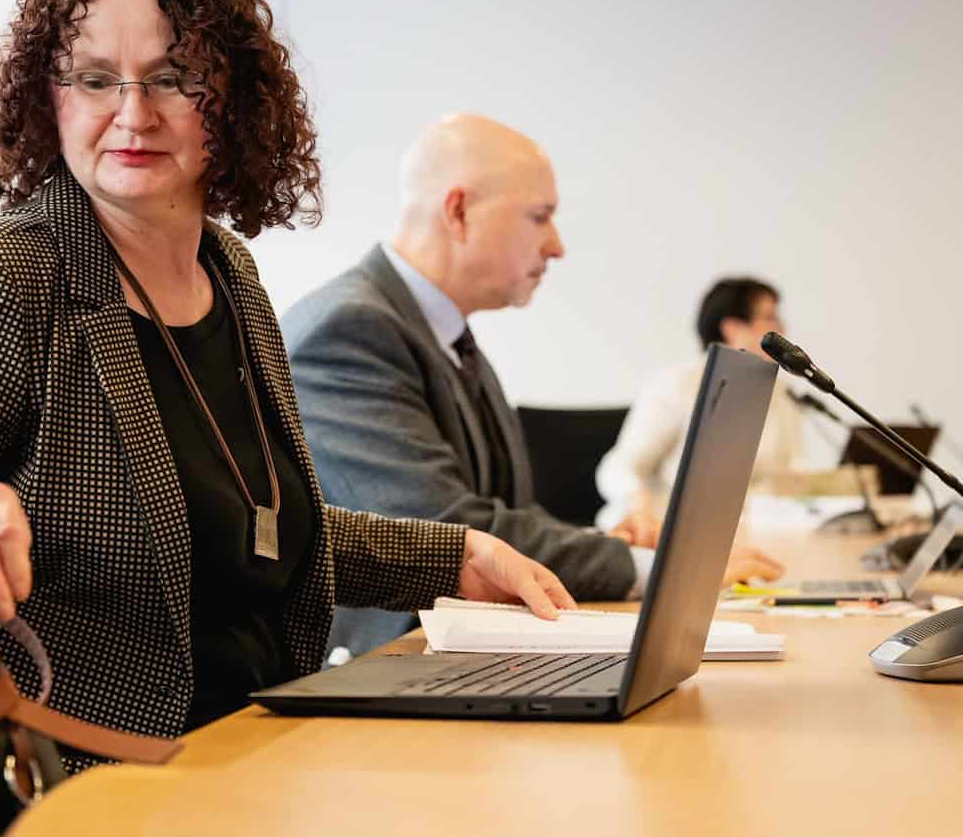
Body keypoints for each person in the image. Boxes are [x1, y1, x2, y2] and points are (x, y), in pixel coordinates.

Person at [0, 0, 569, 764]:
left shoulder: (227, 270)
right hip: (71, 772)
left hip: (252, 744)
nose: (133, 114)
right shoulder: (2, 276)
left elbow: (247, 524)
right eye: (95, 80)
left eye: (172, 78)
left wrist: (457, 556)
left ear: (229, 99)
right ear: (49, 100)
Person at [281, 115, 783, 658]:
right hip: (395, 661)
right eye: (539, 217)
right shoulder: (350, 329)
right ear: (457, 211)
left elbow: (499, 511)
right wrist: (654, 568)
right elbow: (448, 532)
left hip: (466, 652)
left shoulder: (443, 331)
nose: (557, 246)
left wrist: (601, 545)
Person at [595, 276, 803, 546]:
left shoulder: (780, 392)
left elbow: (789, 474)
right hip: (669, 535)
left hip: (751, 536)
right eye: (770, 318)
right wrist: (638, 502)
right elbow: (618, 468)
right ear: (732, 327)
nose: (782, 327)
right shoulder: (676, 384)